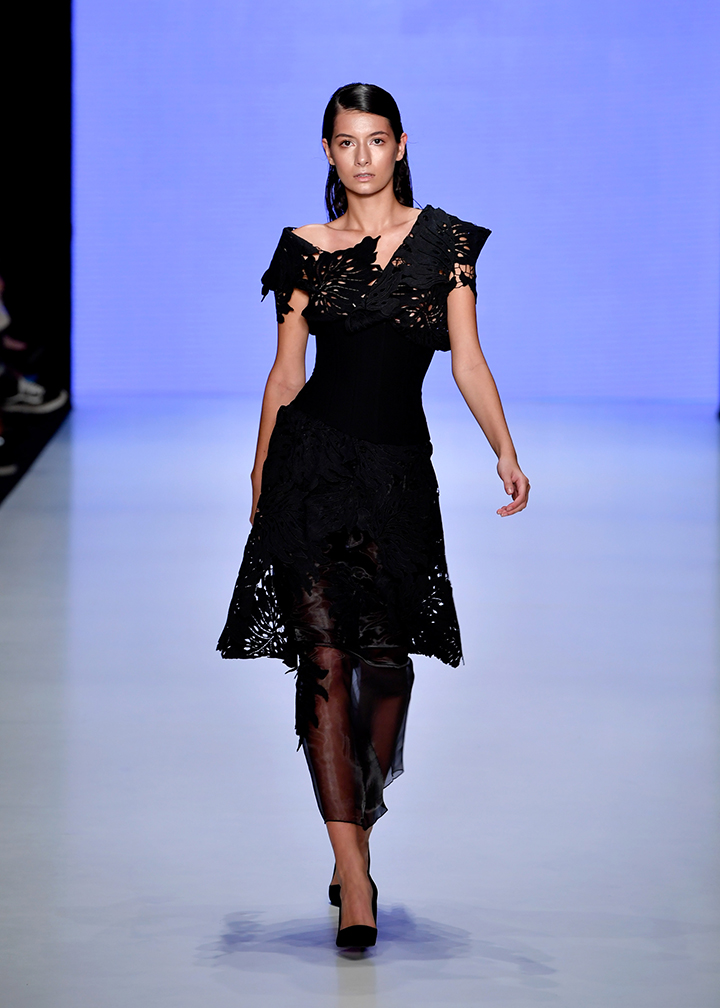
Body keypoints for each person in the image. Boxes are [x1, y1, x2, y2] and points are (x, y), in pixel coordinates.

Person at [218, 83, 530, 950]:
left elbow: (467, 359)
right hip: (311, 471)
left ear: (400, 146)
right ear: (327, 152)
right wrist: (259, 476)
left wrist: (504, 446)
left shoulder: (447, 245)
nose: (361, 155)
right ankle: (354, 877)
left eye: (376, 140)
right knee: (322, 662)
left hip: (396, 480)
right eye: (345, 142)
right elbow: (287, 377)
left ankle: (358, 800)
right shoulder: (304, 251)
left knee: (386, 672)